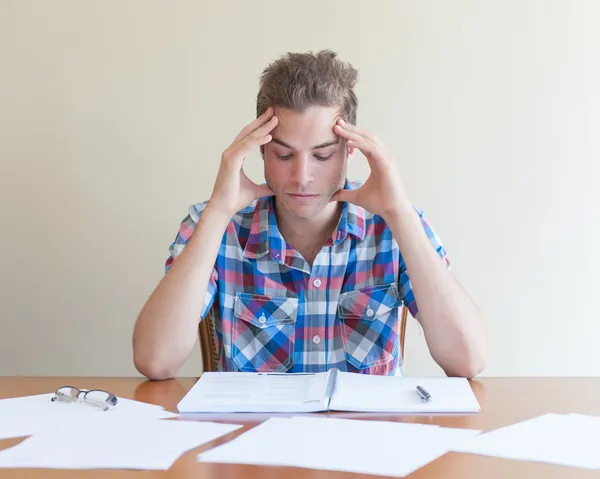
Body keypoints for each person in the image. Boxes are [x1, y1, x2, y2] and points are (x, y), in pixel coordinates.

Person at [132, 50, 486, 380]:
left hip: (367, 442)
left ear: (350, 151)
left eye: (322, 156)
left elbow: (467, 361)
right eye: (284, 155)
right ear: (258, 151)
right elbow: (155, 360)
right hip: (248, 441)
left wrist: (399, 212)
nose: (302, 176)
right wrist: (219, 209)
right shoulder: (215, 224)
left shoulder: (393, 226)